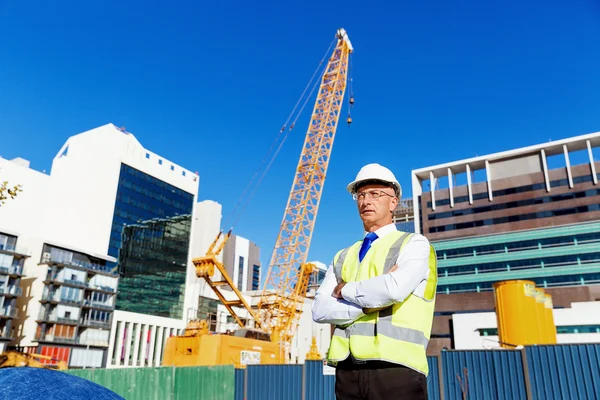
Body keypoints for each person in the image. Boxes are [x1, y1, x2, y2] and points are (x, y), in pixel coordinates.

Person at [312, 163, 438, 400]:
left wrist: (345, 290)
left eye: (375, 193)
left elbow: (394, 289)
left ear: (394, 202)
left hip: (397, 368)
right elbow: (319, 310)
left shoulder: (414, 244)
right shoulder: (342, 255)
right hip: (347, 370)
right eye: (360, 195)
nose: (366, 200)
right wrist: (369, 303)